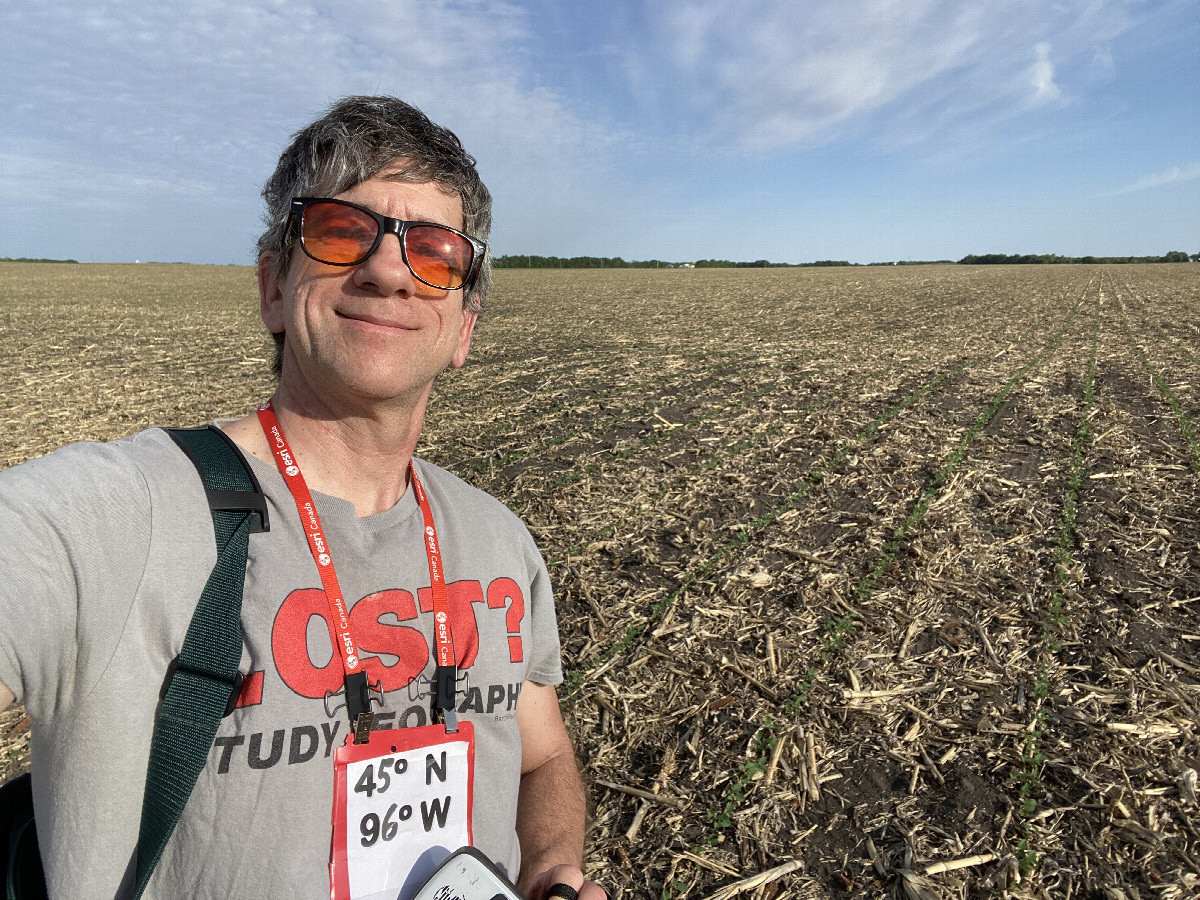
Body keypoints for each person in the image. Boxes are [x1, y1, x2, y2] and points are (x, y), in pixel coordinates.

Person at [0, 95, 604, 900]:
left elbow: (543, 756)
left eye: (435, 251)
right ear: (273, 287)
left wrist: (553, 866)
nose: (390, 270)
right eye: (340, 230)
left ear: (464, 328)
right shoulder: (117, 515)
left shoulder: (499, 541)